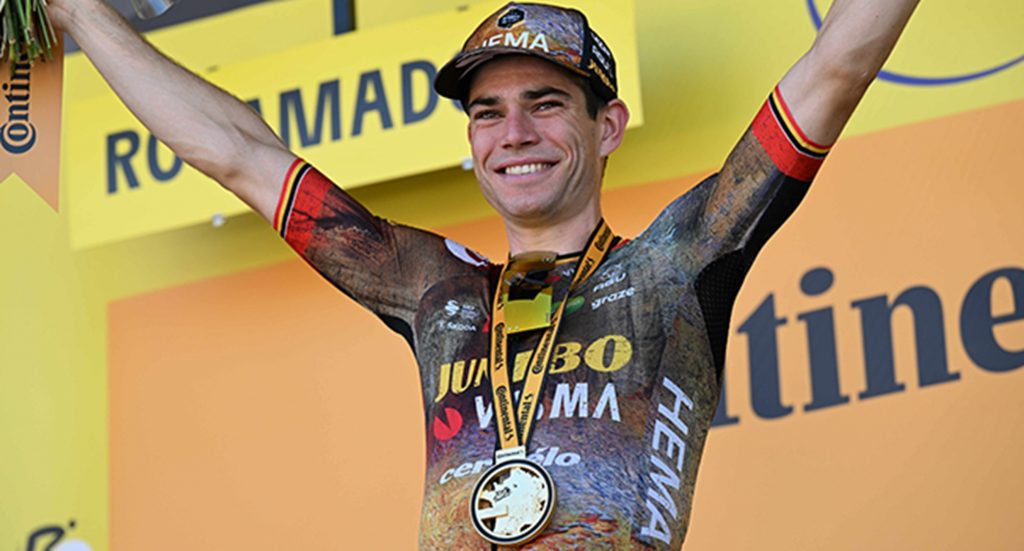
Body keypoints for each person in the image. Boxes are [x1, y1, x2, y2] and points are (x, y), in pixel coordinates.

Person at [48, 0, 920, 548]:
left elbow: (836, 67)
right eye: (488, 113)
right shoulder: (438, 288)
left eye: (546, 103)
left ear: (608, 126)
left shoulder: (675, 261)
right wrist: (77, 10)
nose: (515, 134)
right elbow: (239, 153)